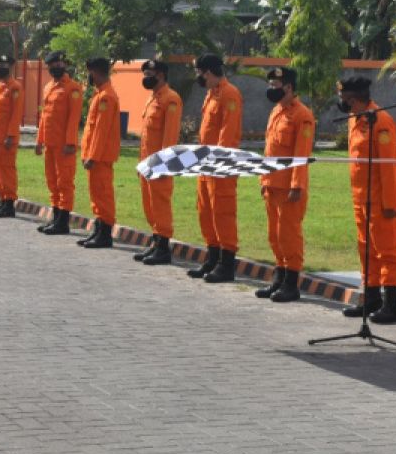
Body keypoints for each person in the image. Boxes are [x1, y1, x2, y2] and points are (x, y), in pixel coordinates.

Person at [337, 77, 396, 322]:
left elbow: (388, 167)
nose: (342, 104)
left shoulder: (381, 121)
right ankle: (372, 297)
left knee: (386, 251)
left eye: (345, 100)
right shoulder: (356, 119)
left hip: (379, 200)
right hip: (361, 197)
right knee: (366, 250)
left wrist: (390, 204)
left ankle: (392, 304)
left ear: (355, 100)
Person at [255, 67, 314, 303]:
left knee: (289, 235)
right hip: (272, 184)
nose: (271, 89)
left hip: (289, 187)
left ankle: (291, 284)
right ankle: (278, 278)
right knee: (274, 235)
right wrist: (264, 178)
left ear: (289, 87)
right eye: (270, 85)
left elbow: (302, 155)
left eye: (275, 86)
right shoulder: (276, 111)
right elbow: (269, 150)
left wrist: (297, 185)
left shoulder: (302, 115)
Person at [188, 53, 243, 283]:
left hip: (220, 164)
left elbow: (227, 133)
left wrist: (217, 161)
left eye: (199, 72)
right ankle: (212, 258)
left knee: (223, 214)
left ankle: (226, 263)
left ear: (207, 72)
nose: (198, 77)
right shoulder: (211, 94)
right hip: (205, 163)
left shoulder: (229, 94)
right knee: (206, 212)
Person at [133, 59, 182, 266]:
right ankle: (155, 242)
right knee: (149, 205)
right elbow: (146, 136)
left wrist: (163, 164)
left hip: (160, 164)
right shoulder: (152, 99)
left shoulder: (170, 99)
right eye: (144, 74)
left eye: (149, 74)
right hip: (147, 163)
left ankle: (163, 247)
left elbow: (169, 137)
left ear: (161, 75)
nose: (146, 77)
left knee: (160, 205)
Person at [35, 51, 83, 235]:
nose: (55, 67)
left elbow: (74, 118)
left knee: (65, 183)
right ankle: (55, 218)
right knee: (52, 182)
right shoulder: (48, 87)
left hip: (64, 145)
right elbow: (45, 117)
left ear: (64, 64)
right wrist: (39, 140)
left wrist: (71, 142)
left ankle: (63, 222)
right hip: (50, 143)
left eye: (58, 64)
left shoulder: (73, 88)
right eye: (51, 65)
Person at [77, 58, 121, 249]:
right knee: (96, 194)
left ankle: (105, 234)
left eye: (90, 72)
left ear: (95, 72)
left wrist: (92, 156)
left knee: (103, 194)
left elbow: (101, 131)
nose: (89, 76)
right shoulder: (99, 94)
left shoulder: (106, 97)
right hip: (95, 156)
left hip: (100, 157)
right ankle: (99, 229)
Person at [0, 55, 22, 219]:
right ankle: (2, 200)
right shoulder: (0, 86)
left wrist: (11, 135)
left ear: (11, 67)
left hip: (7, 138)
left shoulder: (15, 87)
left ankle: (9, 204)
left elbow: (16, 115)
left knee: (7, 170)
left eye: (4, 64)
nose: (1, 67)